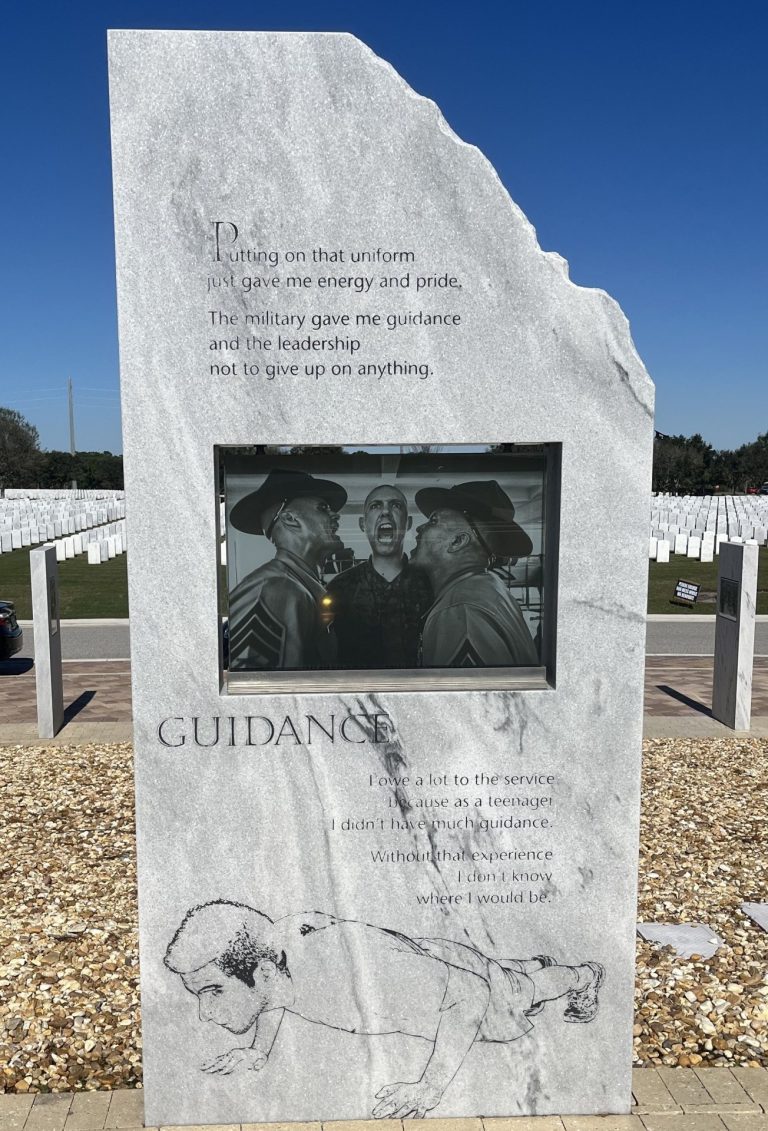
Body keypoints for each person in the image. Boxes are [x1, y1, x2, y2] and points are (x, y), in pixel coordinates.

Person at [165, 900, 605, 1119]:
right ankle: (527, 965)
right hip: (428, 961)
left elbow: (469, 995)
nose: (205, 1012)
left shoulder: (342, 964)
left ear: (262, 972)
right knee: (499, 973)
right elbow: (275, 993)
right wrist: (258, 1052)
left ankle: (583, 975)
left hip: (466, 982)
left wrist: (429, 1087)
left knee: (521, 993)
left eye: (212, 992)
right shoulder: (276, 966)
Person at [228, 469, 346, 671]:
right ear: (290, 519)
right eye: (323, 508)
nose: (335, 515)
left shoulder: (296, 585)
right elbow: (261, 691)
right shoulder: (276, 589)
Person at [411, 480, 538, 668]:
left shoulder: (460, 610)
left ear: (457, 541)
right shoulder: (489, 587)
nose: (419, 528)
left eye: (433, 521)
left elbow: (466, 697)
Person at [327, 485, 432, 668]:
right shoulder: (340, 588)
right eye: (376, 506)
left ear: (408, 523)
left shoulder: (431, 584)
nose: (385, 512)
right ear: (362, 524)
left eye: (396, 506)